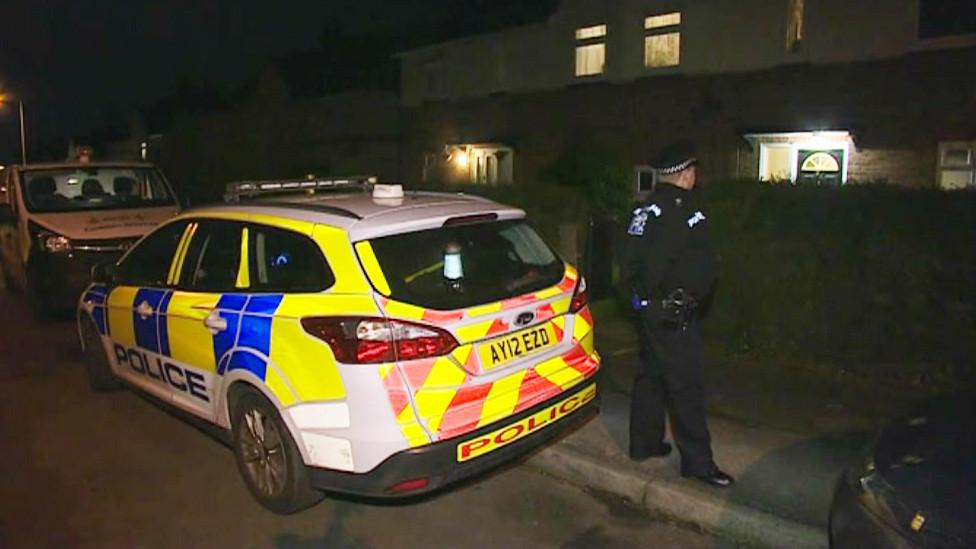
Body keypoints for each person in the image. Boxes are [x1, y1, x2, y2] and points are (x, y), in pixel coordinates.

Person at [621, 140, 734, 488]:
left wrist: (643, 298)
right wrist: (687, 298)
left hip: (648, 312)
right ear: (685, 175)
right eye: (693, 171)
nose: (695, 177)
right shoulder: (688, 212)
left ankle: (644, 444)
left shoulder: (642, 210)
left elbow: (627, 263)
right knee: (686, 387)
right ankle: (698, 464)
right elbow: (705, 265)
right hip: (676, 314)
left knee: (651, 377)